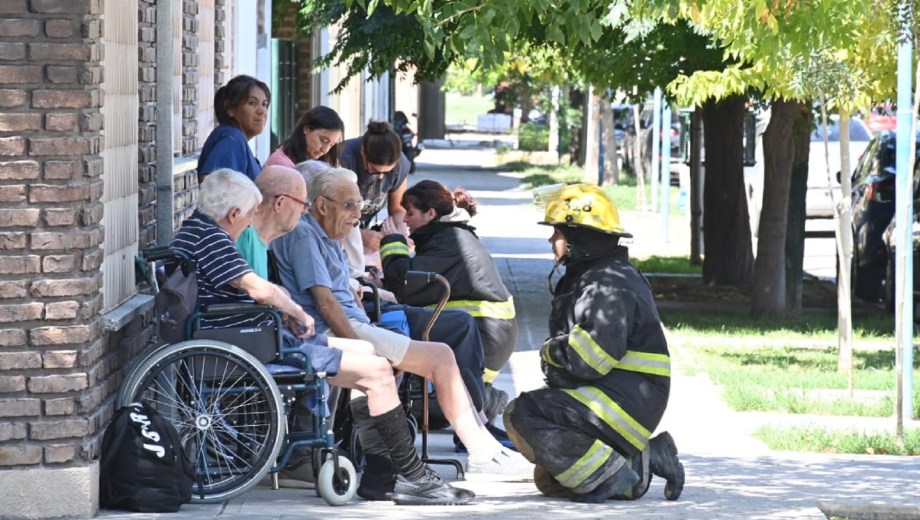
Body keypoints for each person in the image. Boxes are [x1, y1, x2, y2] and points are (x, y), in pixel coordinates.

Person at [173, 168, 475, 506]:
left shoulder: (193, 232)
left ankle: (384, 476)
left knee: (373, 362)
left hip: (248, 338)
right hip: (251, 345)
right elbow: (256, 288)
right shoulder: (213, 239)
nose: (250, 222)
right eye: (248, 215)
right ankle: (411, 478)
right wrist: (295, 310)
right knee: (375, 372)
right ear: (233, 213)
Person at [270, 168, 534, 494]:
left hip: (355, 323)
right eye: (350, 206)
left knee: (417, 360)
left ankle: (383, 475)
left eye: (360, 206)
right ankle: (482, 452)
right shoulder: (304, 235)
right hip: (342, 329)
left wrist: (358, 291)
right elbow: (324, 303)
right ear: (322, 205)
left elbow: (333, 292)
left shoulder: (323, 235)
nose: (359, 216)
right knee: (440, 356)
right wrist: (359, 346)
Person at [503, 183, 685, 503]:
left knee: (523, 414)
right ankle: (646, 459)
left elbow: (592, 359)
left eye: (557, 233)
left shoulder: (605, 283)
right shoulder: (597, 274)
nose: (550, 241)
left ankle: (613, 476)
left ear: (577, 239)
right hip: (623, 395)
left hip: (624, 401)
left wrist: (548, 350)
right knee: (551, 478)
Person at [379, 180, 517, 422]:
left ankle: (484, 400)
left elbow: (405, 284)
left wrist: (393, 241)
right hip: (487, 331)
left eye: (410, 213)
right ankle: (481, 400)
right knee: (439, 408)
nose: (406, 220)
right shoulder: (448, 236)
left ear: (430, 214)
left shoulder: (451, 241)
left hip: (483, 334)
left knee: (435, 411)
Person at [337, 121, 411, 257]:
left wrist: (400, 233)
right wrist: (360, 235)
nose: (381, 177)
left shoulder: (401, 164)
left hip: (361, 232)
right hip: (336, 237)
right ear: (363, 151)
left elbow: (398, 209)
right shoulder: (342, 159)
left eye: (388, 172)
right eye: (375, 171)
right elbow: (329, 215)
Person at [197, 75, 271, 181]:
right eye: (252, 103)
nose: (261, 111)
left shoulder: (236, 139)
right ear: (230, 109)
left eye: (264, 104)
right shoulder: (232, 140)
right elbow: (213, 184)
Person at [265, 106, 345, 169]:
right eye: (323, 140)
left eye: (331, 145)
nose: (325, 150)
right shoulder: (281, 165)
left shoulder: (326, 162)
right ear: (306, 129)